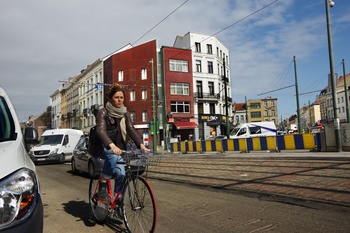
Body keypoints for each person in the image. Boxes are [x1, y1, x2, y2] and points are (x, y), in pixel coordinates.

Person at [96, 84, 149, 200]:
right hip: (103, 146)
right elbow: (100, 131)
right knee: (113, 157)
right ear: (110, 98)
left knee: (122, 174)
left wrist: (141, 145)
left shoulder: (125, 113)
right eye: (116, 97)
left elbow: (131, 129)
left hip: (120, 148)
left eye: (121, 97)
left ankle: (117, 198)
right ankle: (103, 184)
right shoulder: (103, 112)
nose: (119, 100)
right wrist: (111, 145)